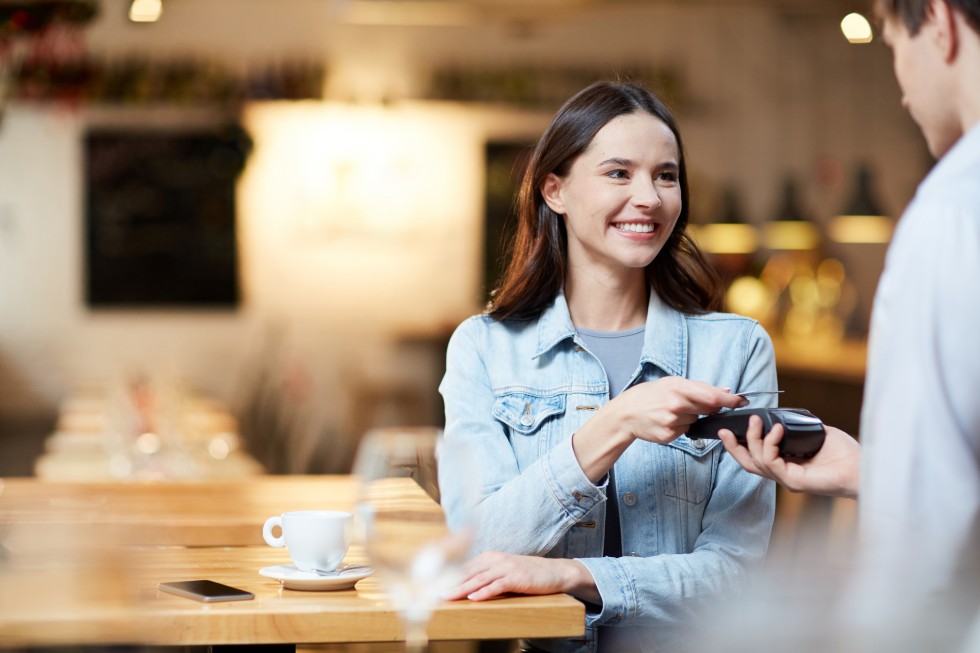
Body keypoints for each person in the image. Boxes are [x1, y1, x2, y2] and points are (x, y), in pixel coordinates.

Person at [437, 80, 778, 653]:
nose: (648, 197)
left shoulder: (737, 350)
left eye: (665, 176)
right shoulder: (483, 348)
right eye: (619, 173)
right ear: (555, 190)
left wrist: (579, 578)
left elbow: (736, 576)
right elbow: (475, 551)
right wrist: (613, 425)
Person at [718, 0, 980, 646]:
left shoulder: (951, 215)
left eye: (892, 46)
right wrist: (872, 471)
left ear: (940, 26)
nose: (899, 89)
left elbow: (916, 550)